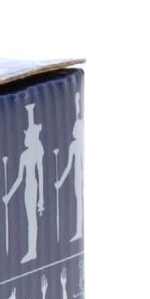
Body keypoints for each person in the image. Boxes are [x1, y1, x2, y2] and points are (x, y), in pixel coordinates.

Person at [4, 103, 45, 263]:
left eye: (27, 135)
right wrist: (9, 195)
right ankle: (31, 250)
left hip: (33, 187)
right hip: (27, 189)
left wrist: (41, 198)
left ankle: (32, 251)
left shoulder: (36, 151)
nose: (25, 138)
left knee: (32, 219)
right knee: (29, 219)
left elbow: (40, 174)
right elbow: (19, 179)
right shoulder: (24, 155)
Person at [55, 90, 84, 242]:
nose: (72, 130)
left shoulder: (76, 144)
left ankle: (78, 230)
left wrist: (60, 182)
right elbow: (68, 166)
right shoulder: (73, 145)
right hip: (77, 175)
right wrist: (60, 182)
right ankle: (78, 230)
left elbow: (69, 167)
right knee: (77, 201)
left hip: (79, 175)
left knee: (79, 201)